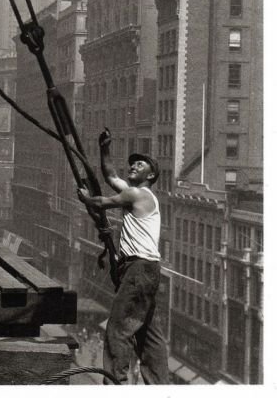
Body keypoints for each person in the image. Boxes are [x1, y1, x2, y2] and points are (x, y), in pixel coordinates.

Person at [76, 128, 169, 385]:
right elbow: (110, 175)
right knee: (150, 334)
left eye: (140, 163)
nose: (133, 165)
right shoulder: (137, 193)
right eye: (133, 162)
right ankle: (159, 385)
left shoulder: (137, 194)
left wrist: (86, 197)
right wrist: (105, 148)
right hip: (147, 270)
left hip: (138, 270)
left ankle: (116, 384)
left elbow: (101, 203)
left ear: (150, 174)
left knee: (118, 328)